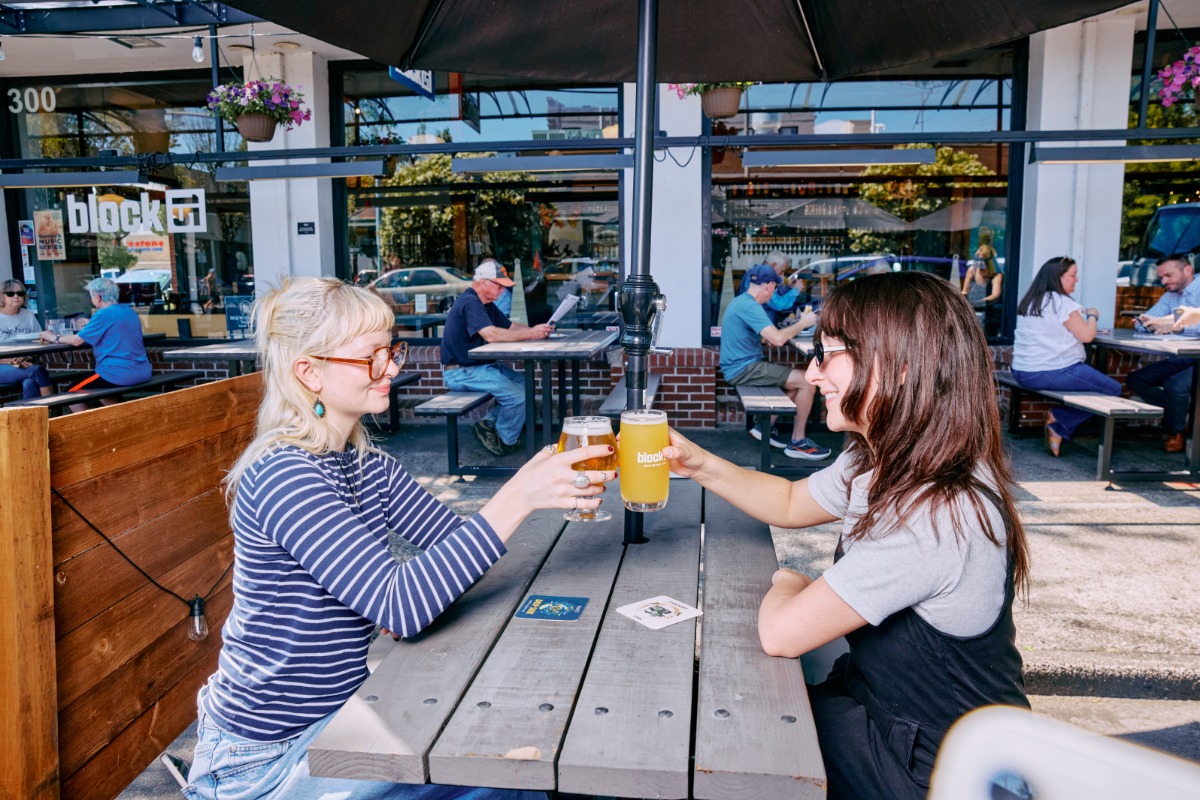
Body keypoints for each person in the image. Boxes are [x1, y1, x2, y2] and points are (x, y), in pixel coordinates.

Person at [186, 276, 613, 800]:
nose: (392, 368)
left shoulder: (366, 465)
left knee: (518, 751)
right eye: (371, 357)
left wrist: (526, 499)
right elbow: (401, 604)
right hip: (262, 765)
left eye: (391, 350)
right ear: (309, 372)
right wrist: (517, 496)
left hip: (338, 719)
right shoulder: (285, 474)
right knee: (511, 769)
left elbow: (455, 544)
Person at [663, 271, 1030, 800]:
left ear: (901, 367)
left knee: (718, 742)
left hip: (937, 771)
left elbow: (782, 633)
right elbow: (790, 502)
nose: (812, 374)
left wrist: (792, 581)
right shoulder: (882, 457)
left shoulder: (936, 508)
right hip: (885, 719)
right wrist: (699, 464)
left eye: (827, 353)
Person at [441, 259, 555, 457]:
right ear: (484, 281)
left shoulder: (486, 304)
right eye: (500, 286)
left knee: (525, 385)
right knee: (518, 397)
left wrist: (537, 330)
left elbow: (509, 327)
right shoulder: (471, 302)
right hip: (461, 372)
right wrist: (531, 334)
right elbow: (492, 335)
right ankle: (504, 441)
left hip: (480, 367)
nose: (503, 291)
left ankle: (488, 424)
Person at [1010, 256, 1120, 457]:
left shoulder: (1031, 301)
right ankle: (1059, 421)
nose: (1076, 280)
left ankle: (1061, 424)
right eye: (1073, 275)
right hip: (1052, 371)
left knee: (1093, 388)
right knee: (1113, 389)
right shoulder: (1063, 304)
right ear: (1057, 277)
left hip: (1022, 371)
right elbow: (1087, 336)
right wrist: (1093, 316)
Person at [721, 263, 830, 460]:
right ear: (769, 285)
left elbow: (765, 336)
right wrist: (802, 323)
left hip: (742, 365)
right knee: (806, 381)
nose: (772, 293)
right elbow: (779, 339)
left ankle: (764, 426)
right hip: (744, 368)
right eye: (774, 288)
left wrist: (766, 338)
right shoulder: (750, 305)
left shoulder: (741, 302)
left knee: (796, 380)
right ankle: (798, 442)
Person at [38, 277, 152, 414]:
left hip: (117, 373)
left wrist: (52, 337)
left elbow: (76, 341)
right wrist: (90, 323)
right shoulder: (128, 311)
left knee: (69, 393)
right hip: (142, 371)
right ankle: (120, 421)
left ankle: (90, 429)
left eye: (90, 295)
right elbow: (113, 329)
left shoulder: (103, 314)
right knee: (102, 391)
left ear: (97, 297)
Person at [1125, 254, 1200, 453]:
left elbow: (1180, 323)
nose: (1164, 281)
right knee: (1136, 380)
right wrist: (1145, 323)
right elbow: (1153, 319)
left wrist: (1176, 326)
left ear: (1187, 270)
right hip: (1182, 355)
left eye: (1169, 275)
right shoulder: (1171, 295)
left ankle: (1175, 432)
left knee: (1175, 386)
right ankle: (1181, 417)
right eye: (1161, 277)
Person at [0, 279, 53, 399]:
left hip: (24, 363)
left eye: (20, 293)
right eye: (10, 294)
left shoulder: (28, 315)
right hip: (2, 365)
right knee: (36, 371)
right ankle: (52, 407)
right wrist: (11, 360)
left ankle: (31, 416)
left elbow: (40, 340)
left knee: (30, 382)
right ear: (2, 296)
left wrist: (26, 356)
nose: (16, 296)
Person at [739, 250, 801, 324]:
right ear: (773, 265)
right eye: (782, 271)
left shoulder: (754, 273)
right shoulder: (762, 277)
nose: (782, 274)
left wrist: (788, 287)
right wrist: (796, 290)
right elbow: (778, 304)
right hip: (758, 328)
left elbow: (775, 295)